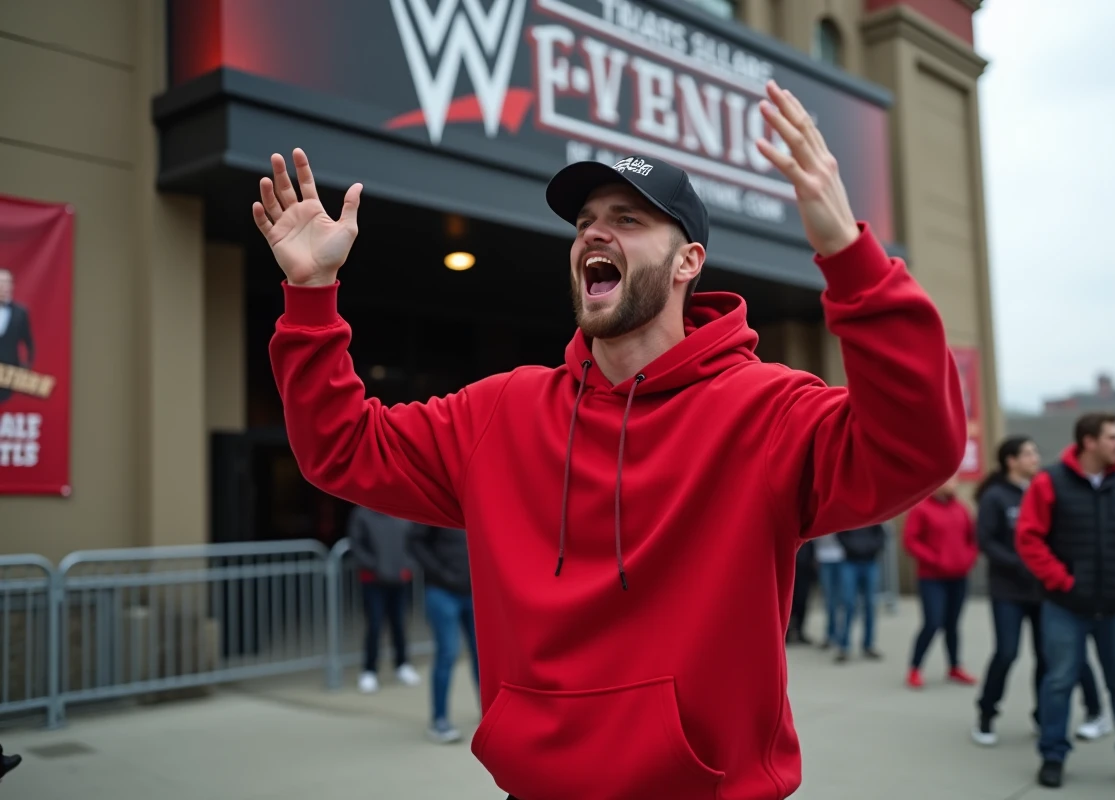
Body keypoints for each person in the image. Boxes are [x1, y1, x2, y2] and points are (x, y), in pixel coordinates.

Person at [254, 81, 968, 799]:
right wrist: (312, 296)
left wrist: (849, 257)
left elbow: (916, 446)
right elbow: (339, 447)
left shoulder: (767, 411)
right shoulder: (501, 410)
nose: (595, 233)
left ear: (687, 262)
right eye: (585, 222)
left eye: (627, 219)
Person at [1015, 412, 1115, 790]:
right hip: (1064, 606)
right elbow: (1029, 539)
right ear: (1089, 441)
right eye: (1113, 437)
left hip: (1114, 607)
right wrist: (1063, 582)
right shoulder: (1049, 483)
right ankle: (1053, 756)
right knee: (1058, 683)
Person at [972, 436, 1108, 747]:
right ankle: (986, 715)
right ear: (1011, 461)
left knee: (1046, 657)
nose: (1036, 458)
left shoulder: (1042, 491)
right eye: (1029, 453)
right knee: (1006, 653)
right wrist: (1022, 564)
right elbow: (987, 542)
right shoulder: (995, 497)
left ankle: (1042, 715)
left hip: (1043, 591)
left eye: (1036, 451)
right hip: (1008, 590)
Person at [407, 523, 480, 744]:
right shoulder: (439, 502)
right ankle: (439, 720)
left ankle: (489, 713)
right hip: (443, 591)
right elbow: (414, 541)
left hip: (474, 590)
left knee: (483, 655)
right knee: (448, 652)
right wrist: (441, 573)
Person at [903, 477, 979, 689]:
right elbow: (911, 541)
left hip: (958, 576)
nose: (954, 484)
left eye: (955, 480)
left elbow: (972, 538)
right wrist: (936, 560)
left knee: (953, 624)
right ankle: (915, 668)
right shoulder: (921, 509)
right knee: (933, 622)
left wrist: (968, 558)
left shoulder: (961, 508)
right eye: (950, 480)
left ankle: (955, 666)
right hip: (932, 577)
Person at [347, 504, 422, 692]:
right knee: (374, 625)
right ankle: (369, 671)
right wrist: (374, 566)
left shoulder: (401, 511)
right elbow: (356, 545)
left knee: (399, 623)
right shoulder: (362, 513)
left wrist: (407, 565)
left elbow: (413, 542)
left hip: (399, 578)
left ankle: (402, 665)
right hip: (373, 580)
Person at [833, 523, 887, 661]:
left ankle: (868, 645)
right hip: (850, 562)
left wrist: (871, 548)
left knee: (870, 604)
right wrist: (853, 548)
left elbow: (881, 535)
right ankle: (843, 646)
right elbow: (839, 533)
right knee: (848, 603)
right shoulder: (847, 512)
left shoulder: (872, 511)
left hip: (870, 562)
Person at [0, 268, 34, 405]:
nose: (4, 287)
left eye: (7, 282)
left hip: (11, 375)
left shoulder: (21, 313)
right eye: (1, 282)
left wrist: (26, 367)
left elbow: (29, 343)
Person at [813, 532, 847, 650]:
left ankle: (841, 635)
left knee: (842, 600)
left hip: (842, 557)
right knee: (829, 600)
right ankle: (830, 634)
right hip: (824, 557)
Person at [788, 540, 817, 645]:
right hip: (789, 566)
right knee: (789, 603)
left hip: (805, 569)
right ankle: (787, 633)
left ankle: (800, 631)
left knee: (802, 601)